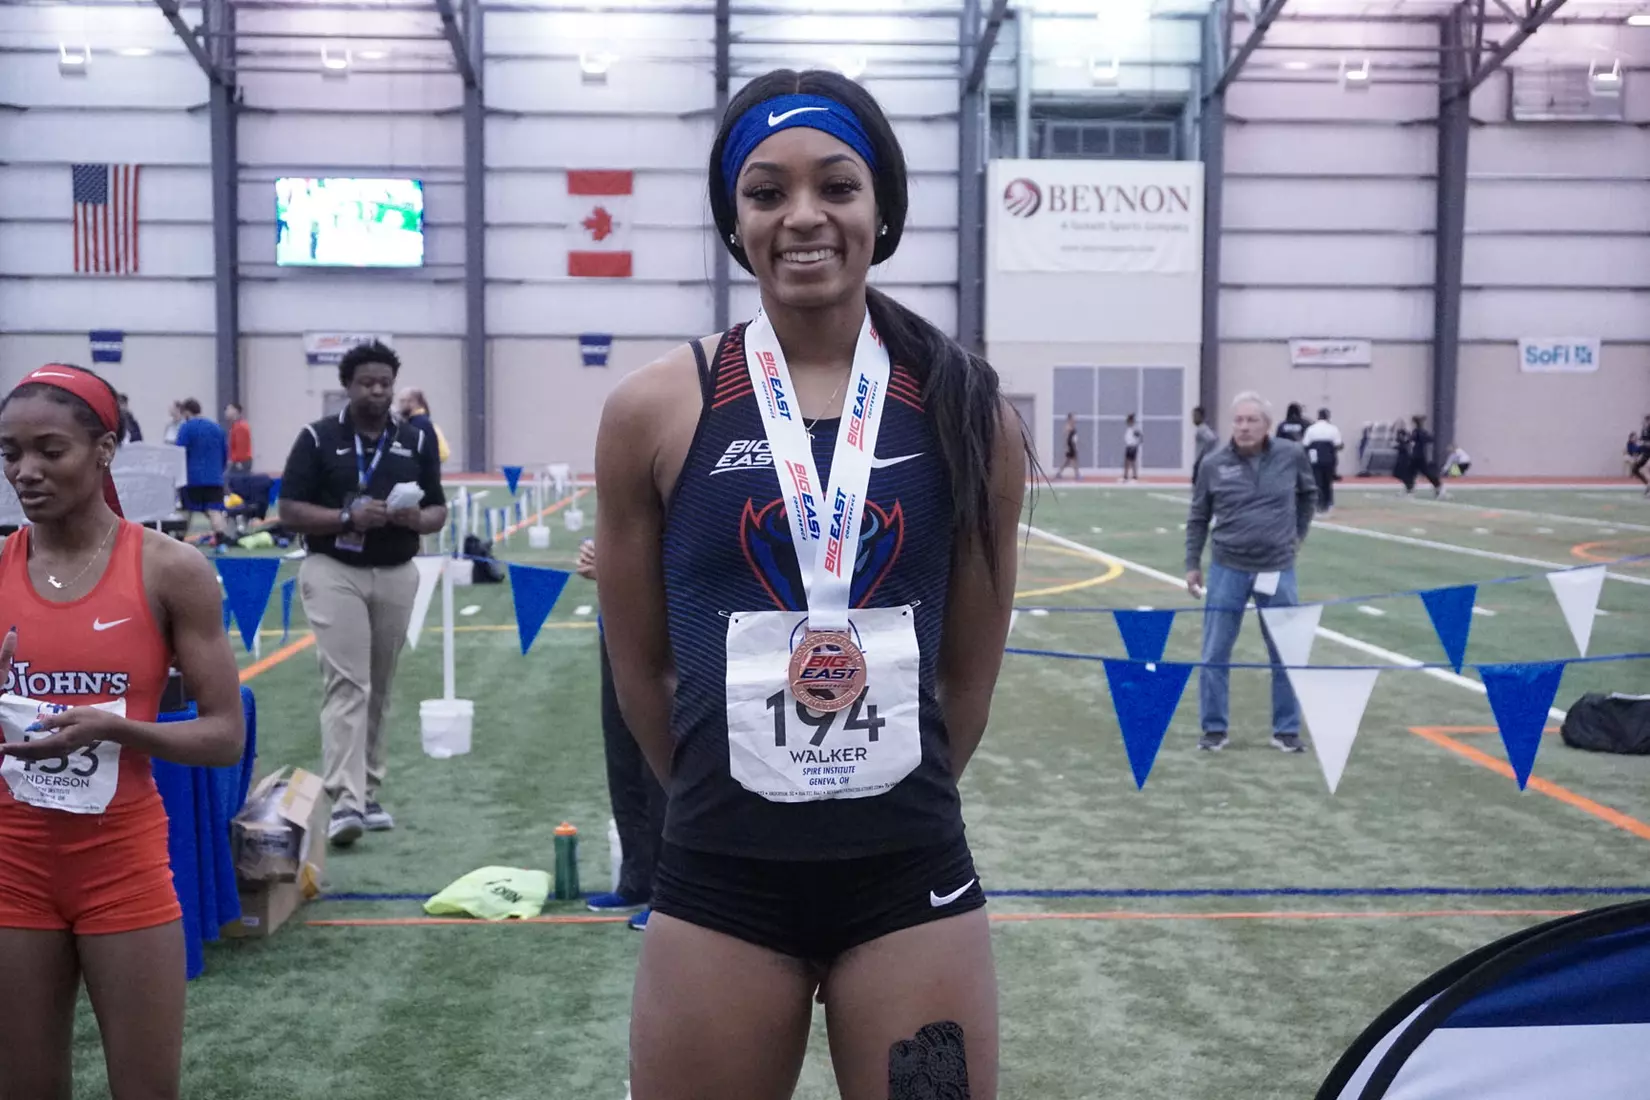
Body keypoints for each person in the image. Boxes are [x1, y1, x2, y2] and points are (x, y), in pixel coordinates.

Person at [595, 69, 1026, 1100]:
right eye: (766, 192)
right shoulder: (653, 410)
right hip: (720, 876)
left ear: (882, 211)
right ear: (733, 221)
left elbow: (968, 676)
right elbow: (641, 668)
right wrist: (729, 800)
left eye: (836, 186)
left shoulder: (966, 409)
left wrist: (864, 796)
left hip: (908, 874)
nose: (802, 216)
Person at [0, 363, 244, 1100]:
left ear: (104, 449)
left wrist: (118, 729)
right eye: (10, 453)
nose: (25, 471)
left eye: (50, 450)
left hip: (120, 864)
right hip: (12, 864)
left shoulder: (171, 570)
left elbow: (224, 736)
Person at [278, 341, 447, 846]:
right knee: (348, 683)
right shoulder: (318, 437)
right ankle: (345, 801)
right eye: (367, 383)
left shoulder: (416, 439)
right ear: (347, 386)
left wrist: (415, 518)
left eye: (385, 383)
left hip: (396, 569)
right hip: (334, 569)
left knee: (380, 685)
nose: (377, 391)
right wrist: (345, 517)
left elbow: (438, 510)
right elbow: (289, 510)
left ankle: (368, 792)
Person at [1184, 391, 1315, 755]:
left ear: (1267, 425)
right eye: (1238, 420)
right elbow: (1198, 517)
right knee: (1214, 653)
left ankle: (1286, 731)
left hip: (1278, 568)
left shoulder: (1291, 455)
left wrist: (1297, 536)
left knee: (1286, 652)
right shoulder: (1213, 463)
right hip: (1228, 568)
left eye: (1251, 420)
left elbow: (1309, 495)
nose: (1243, 427)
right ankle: (1214, 729)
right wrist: (1192, 564)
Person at [578, 538, 666, 933]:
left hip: (665, 631)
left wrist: (615, 568)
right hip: (616, 628)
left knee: (658, 765)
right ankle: (636, 879)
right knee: (622, 758)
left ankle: (666, 896)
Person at [174, 398, 230, 546]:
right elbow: (225, 453)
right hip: (215, 478)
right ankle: (221, 541)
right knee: (214, 510)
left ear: (186, 412)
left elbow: (179, 453)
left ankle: (178, 540)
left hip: (191, 478)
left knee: (187, 511)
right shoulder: (217, 428)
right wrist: (219, 471)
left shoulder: (186, 428)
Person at [1300, 407, 1343, 515]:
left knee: (1317, 481)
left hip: (1315, 458)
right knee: (1327, 482)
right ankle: (1328, 503)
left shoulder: (1311, 429)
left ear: (1318, 416)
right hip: (1329, 458)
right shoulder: (1333, 429)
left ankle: (1318, 503)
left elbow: (1305, 444)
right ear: (1328, 417)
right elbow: (1338, 444)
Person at [396, 387, 450, 466]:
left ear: (413, 402)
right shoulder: (426, 423)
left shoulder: (418, 425)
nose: (399, 406)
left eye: (402, 401)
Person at [1403, 414, 1443, 498]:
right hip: (1416, 457)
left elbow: (1411, 440)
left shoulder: (1419, 432)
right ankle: (1409, 490)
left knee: (1424, 473)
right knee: (1410, 474)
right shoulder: (1418, 432)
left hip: (1420, 457)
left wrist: (1407, 439)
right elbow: (1429, 439)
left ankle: (1438, 487)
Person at [1191, 405, 1217, 485]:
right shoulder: (1201, 428)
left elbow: (1212, 439)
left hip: (1200, 461)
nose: (1194, 419)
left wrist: (1204, 455)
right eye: (1193, 416)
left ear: (1202, 417)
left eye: (1196, 416)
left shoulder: (1202, 429)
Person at [225, 402, 252, 475]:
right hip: (238, 462)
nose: (226, 411)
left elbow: (241, 450)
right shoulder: (235, 426)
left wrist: (232, 461)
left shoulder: (240, 427)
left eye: (228, 409)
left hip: (240, 463)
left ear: (235, 411)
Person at [1054, 412, 1080, 480]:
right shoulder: (1067, 427)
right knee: (1074, 460)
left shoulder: (1073, 426)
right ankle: (1077, 474)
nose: (1074, 419)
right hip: (1070, 445)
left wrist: (1076, 445)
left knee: (1067, 461)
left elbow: (1074, 437)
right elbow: (1066, 437)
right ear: (1069, 419)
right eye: (1073, 418)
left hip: (1072, 445)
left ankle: (1059, 473)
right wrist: (1066, 447)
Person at [1630, 415, 1650, 495]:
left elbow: (1645, 443)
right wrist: (1638, 452)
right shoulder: (1643, 430)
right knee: (1635, 469)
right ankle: (1647, 484)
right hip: (1645, 454)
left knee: (1646, 469)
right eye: (1645, 421)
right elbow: (1641, 442)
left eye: (1646, 421)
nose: (1645, 423)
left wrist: (1644, 443)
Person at [1121, 414, 1142, 482]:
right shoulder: (1129, 428)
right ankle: (1125, 476)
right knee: (1126, 462)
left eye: (1129, 421)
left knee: (1132, 461)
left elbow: (1139, 436)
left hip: (1132, 446)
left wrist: (1136, 443)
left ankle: (1134, 476)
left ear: (1132, 421)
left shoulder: (1134, 428)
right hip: (1128, 446)